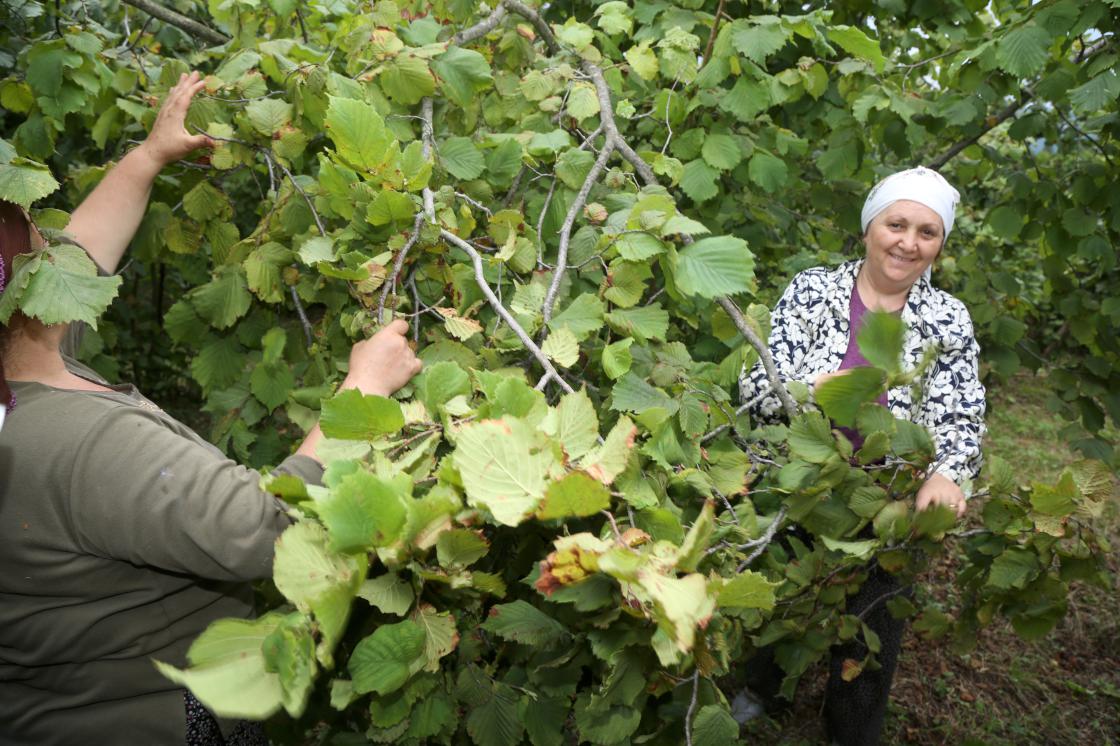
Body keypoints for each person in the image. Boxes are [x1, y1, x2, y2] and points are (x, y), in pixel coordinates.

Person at [0, 72, 423, 745]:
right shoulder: (81, 444)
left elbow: (86, 245)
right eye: (34, 236)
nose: (55, 242)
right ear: (27, 283)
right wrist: (364, 391)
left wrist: (149, 155)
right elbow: (265, 532)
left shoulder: (20, 370)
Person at [738, 166, 986, 745]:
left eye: (928, 232)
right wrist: (812, 390)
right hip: (804, 478)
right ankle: (763, 688)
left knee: (875, 623)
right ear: (870, 226)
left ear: (940, 245)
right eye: (897, 224)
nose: (909, 242)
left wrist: (948, 472)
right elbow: (757, 387)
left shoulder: (948, 318)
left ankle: (853, 728)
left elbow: (959, 412)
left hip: (889, 497)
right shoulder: (813, 291)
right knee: (786, 596)